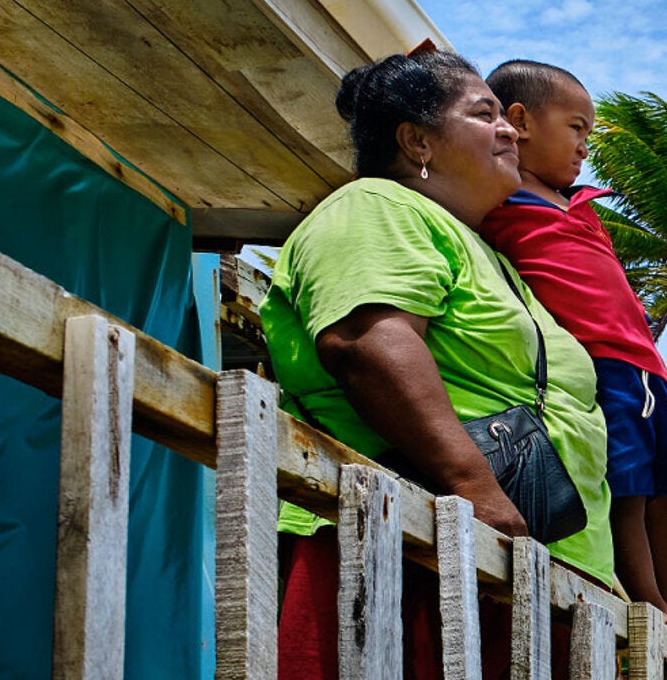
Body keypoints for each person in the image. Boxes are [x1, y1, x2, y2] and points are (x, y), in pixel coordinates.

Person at [260, 50, 612, 679]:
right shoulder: (375, 206)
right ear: (417, 141)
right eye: (485, 114)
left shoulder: (484, 248)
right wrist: (475, 488)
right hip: (414, 553)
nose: (508, 129)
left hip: (523, 571)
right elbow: (369, 342)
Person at [478, 60, 667, 630]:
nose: (585, 147)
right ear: (518, 121)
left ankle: (663, 596)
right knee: (629, 484)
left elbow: (621, 298)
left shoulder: (583, 205)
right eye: (576, 129)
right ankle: (646, 599)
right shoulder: (498, 196)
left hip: (641, 363)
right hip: (594, 361)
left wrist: (662, 368)